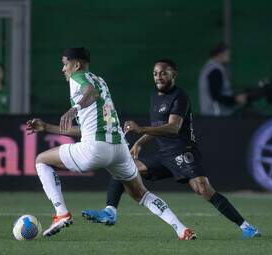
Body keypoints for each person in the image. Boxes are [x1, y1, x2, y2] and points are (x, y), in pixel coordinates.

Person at [26, 47, 196, 240]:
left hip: (94, 149)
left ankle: (61, 213)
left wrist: (74, 109)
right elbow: (85, 127)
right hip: (119, 148)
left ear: (76, 64)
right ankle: (181, 229)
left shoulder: (77, 79)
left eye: (65, 64)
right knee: (141, 194)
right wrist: (47, 127)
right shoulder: (100, 81)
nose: (63, 69)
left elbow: (90, 94)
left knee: (41, 160)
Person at [82, 58, 260, 239]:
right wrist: (140, 142)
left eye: (163, 73)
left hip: (183, 151)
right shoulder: (155, 96)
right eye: (155, 73)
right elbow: (158, 125)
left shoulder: (179, 96)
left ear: (173, 74)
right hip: (164, 154)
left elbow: (173, 127)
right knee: (124, 168)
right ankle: (110, 211)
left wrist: (141, 129)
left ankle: (247, 228)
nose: (158, 77)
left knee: (204, 190)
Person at [198, 43, 247, 116]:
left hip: (214, 114)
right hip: (216, 115)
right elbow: (216, 95)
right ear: (220, 54)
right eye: (228, 54)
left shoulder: (210, 67)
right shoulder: (215, 70)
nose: (229, 57)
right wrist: (235, 99)